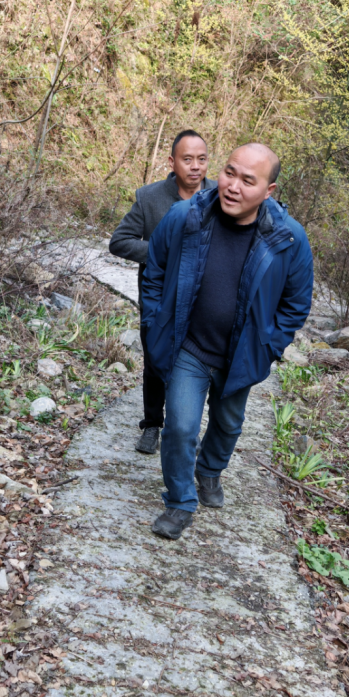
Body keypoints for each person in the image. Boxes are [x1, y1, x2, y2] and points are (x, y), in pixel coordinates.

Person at [141, 143, 313, 539]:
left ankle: (209, 470)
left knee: (228, 423)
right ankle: (180, 501)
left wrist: (269, 346)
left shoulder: (289, 238)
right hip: (189, 347)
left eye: (248, 181)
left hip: (241, 353)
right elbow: (155, 271)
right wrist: (153, 322)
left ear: (269, 191)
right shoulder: (186, 216)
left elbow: (296, 304)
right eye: (229, 173)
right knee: (180, 426)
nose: (233, 186)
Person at [109, 130, 215, 454]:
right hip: (159, 296)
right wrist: (162, 252)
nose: (195, 166)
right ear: (172, 162)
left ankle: (192, 429)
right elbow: (119, 242)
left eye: (201, 159)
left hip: (204, 299)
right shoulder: (150, 197)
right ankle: (153, 424)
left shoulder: (221, 197)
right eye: (187, 159)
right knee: (156, 360)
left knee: (202, 363)